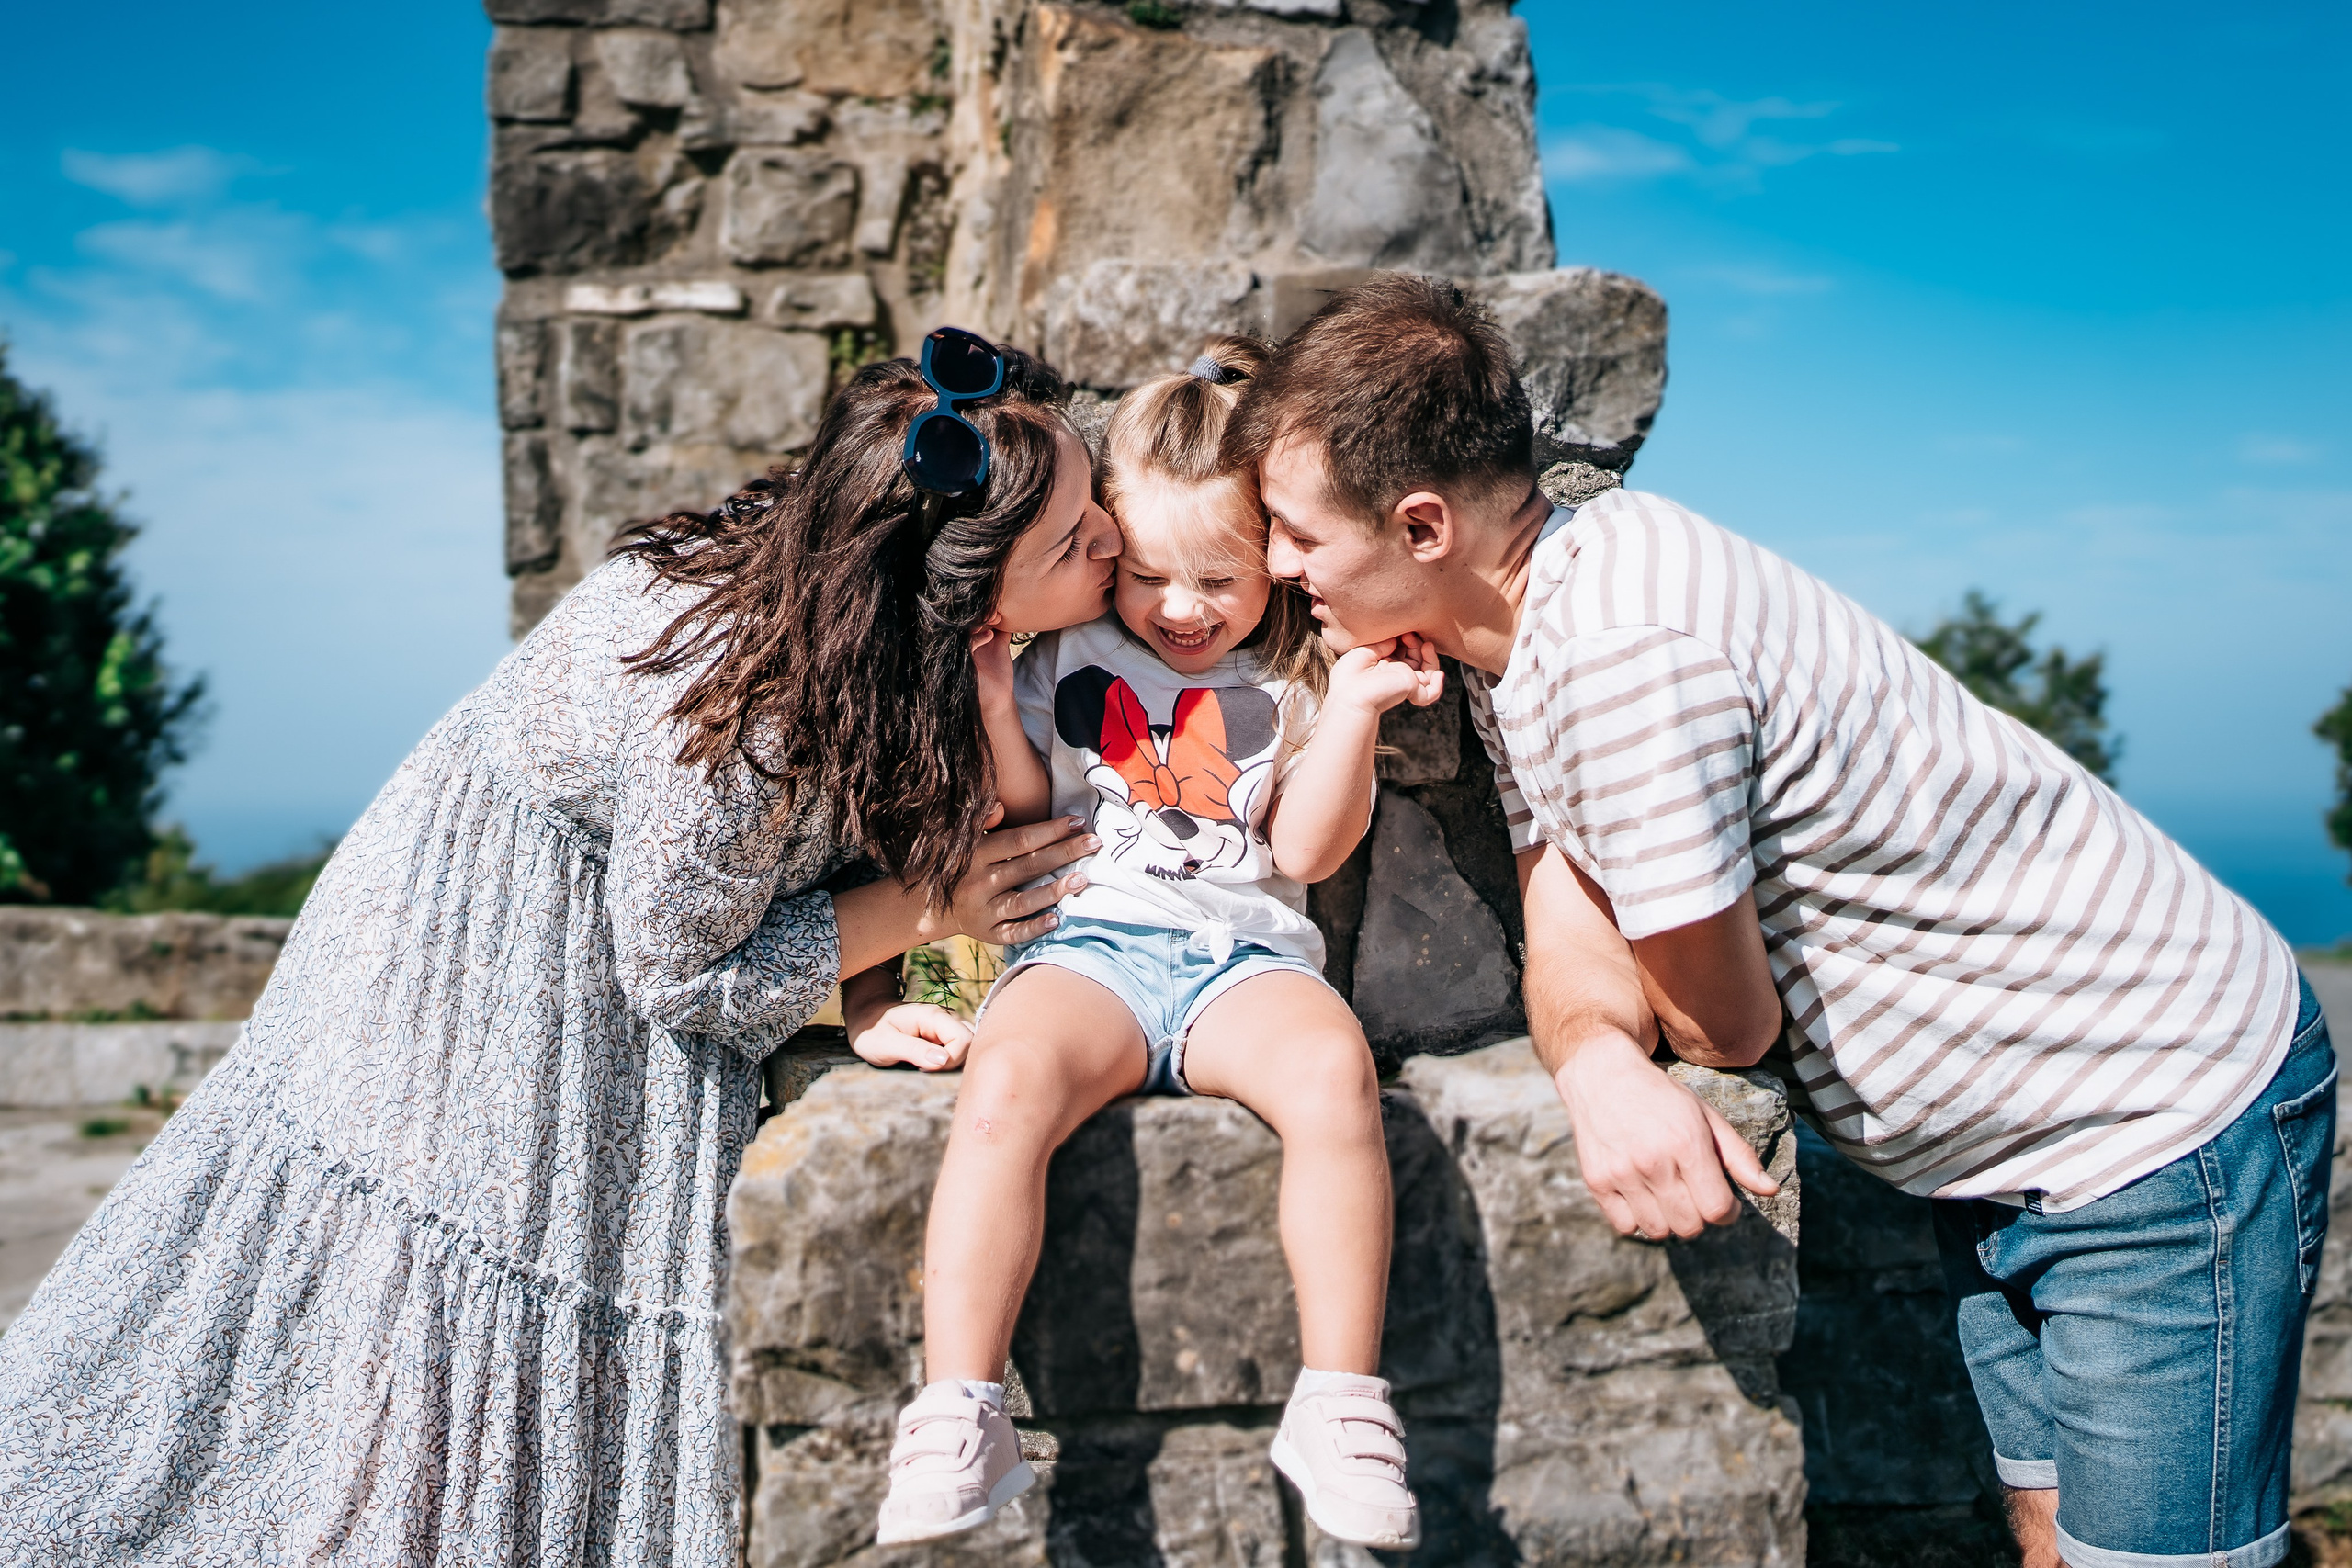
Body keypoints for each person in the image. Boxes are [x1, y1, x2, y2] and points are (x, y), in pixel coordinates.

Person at [1225, 273, 2334, 1568]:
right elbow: (1564, 889)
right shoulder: (1524, 630)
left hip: (2151, 1127)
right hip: (2007, 1153)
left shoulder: (1630, 659)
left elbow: (1721, 1020)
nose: (1280, 570)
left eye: (1298, 534)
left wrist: (1625, 1035)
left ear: (1421, 526)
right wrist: (1590, 1062)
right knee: (2045, 1532)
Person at [0, 333, 1114, 1566]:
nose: (1112, 542)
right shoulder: (739, 722)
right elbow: (680, 969)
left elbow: (816, 841)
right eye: (1077, 539)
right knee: (404, 1344)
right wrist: (923, 911)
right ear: (975, 599)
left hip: (585, 909)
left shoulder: (865, 627)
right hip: (480, 957)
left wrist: (855, 988)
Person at [869, 338, 1441, 1551]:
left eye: (1219, 579)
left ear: (1275, 567)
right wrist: (986, 705)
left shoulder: (1293, 670)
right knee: (1005, 1080)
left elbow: (1311, 846)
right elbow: (1027, 814)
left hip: (1246, 961)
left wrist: (1351, 713)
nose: (1182, 609)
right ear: (1110, 548)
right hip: (1093, 951)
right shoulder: (1065, 654)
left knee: (1335, 1075)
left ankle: (1339, 1402)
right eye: (1151, 576)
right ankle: (958, 1405)